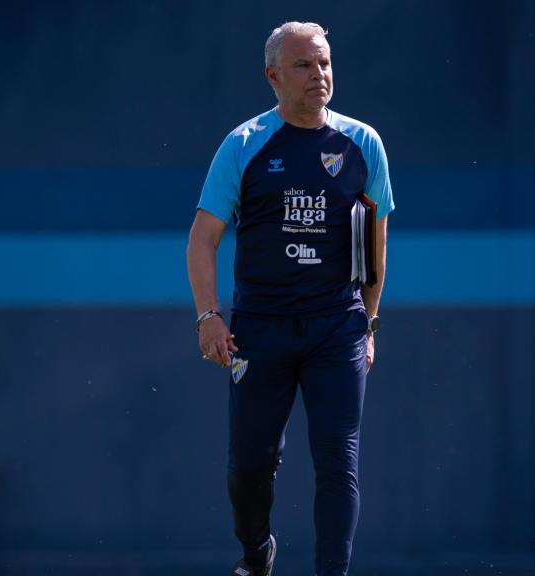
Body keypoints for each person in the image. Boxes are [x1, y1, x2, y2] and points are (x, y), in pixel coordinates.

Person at [187, 21, 394, 576]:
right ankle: (257, 553)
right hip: (261, 327)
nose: (318, 76)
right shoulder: (245, 144)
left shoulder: (363, 143)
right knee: (250, 466)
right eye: (303, 66)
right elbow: (203, 238)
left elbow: (375, 245)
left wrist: (368, 326)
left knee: (338, 461)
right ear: (272, 76)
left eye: (324, 64)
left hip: (337, 326)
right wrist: (209, 316)